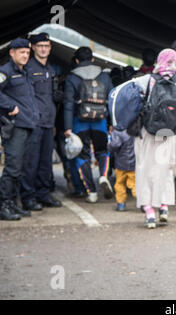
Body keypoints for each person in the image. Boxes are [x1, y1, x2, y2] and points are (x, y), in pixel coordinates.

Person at [132, 48, 176, 229]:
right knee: (165, 170)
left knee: (144, 170)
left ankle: (149, 211)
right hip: (169, 133)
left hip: (148, 132)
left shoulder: (146, 80)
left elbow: (129, 97)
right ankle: (164, 207)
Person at [0, 38, 39, 220]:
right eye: (21, 52)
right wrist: (9, 106)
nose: (25, 56)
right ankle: (4, 207)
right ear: (12, 53)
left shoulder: (26, 72)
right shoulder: (4, 72)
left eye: (27, 53)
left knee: (21, 168)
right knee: (12, 168)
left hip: (27, 125)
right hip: (14, 127)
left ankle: (13, 204)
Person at [63, 47, 114, 203]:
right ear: (92, 59)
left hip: (80, 123)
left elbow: (68, 103)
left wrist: (67, 127)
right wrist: (111, 122)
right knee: (103, 151)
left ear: (77, 61)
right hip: (100, 122)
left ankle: (91, 192)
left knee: (82, 155)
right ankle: (103, 176)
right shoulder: (104, 76)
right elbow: (112, 99)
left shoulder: (72, 77)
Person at [19, 32, 62, 211]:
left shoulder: (50, 70)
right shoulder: (27, 68)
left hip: (48, 123)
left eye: (46, 46)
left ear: (50, 48)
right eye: (40, 46)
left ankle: (43, 195)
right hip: (33, 123)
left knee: (45, 162)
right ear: (33, 48)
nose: (43, 49)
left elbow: (50, 98)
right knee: (31, 162)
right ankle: (28, 198)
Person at [107, 129, 136, 211]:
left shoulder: (117, 132)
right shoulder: (136, 130)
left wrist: (108, 147)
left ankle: (121, 204)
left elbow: (114, 145)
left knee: (119, 184)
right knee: (134, 183)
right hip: (134, 163)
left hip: (120, 163)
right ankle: (142, 201)